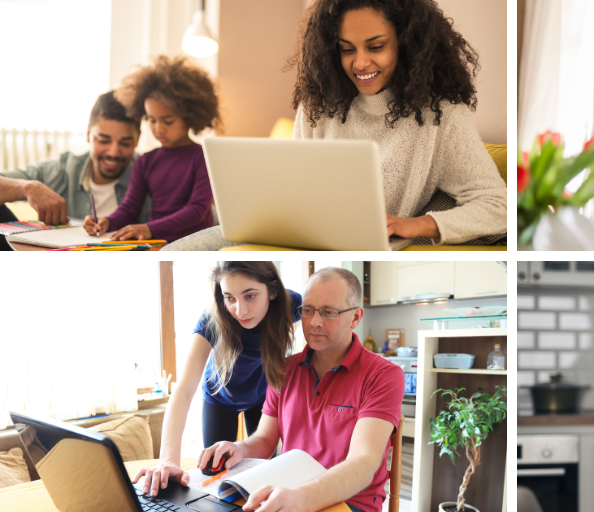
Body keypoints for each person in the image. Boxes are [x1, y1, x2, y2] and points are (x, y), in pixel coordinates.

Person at [163, 0, 507, 250]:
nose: (359, 63)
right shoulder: (319, 103)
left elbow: (499, 207)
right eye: (346, 49)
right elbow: (295, 183)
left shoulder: (441, 114)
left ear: (408, 43)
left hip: (356, 249)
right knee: (172, 253)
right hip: (295, 235)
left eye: (376, 46)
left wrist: (417, 225)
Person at [197, 267, 404, 512]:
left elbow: (363, 462)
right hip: (289, 494)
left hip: (349, 502)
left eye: (328, 312)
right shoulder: (283, 369)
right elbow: (264, 440)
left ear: (356, 317)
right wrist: (239, 448)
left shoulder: (383, 375)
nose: (315, 322)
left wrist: (301, 498)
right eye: (307, 310)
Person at [133, 262, 302, 498]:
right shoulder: (212, 319)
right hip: (219, 398)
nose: (240, 310)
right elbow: (182, 391)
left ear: (272, 291)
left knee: (262, 474)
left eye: (250, 296)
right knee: (216, 476)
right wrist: (168, 460)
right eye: (229, 298)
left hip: (261, 396)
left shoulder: (292, 304)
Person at [84, 55, 218, 242]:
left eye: (168, 121)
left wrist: (149, 228)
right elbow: (130, 208)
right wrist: (108, 221)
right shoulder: (145, 162)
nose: (158, 129)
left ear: (190, 116)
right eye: (151, 120)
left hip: (196, 241)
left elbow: (197, 209)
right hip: (159, 241)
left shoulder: (202, 157)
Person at [0, 91, 150, 225]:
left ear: (137, 139)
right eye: (104, 140)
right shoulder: (61, 171)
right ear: (88, 133)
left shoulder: (151, 173)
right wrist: (26, 187)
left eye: (125, 143)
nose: (113, 152)